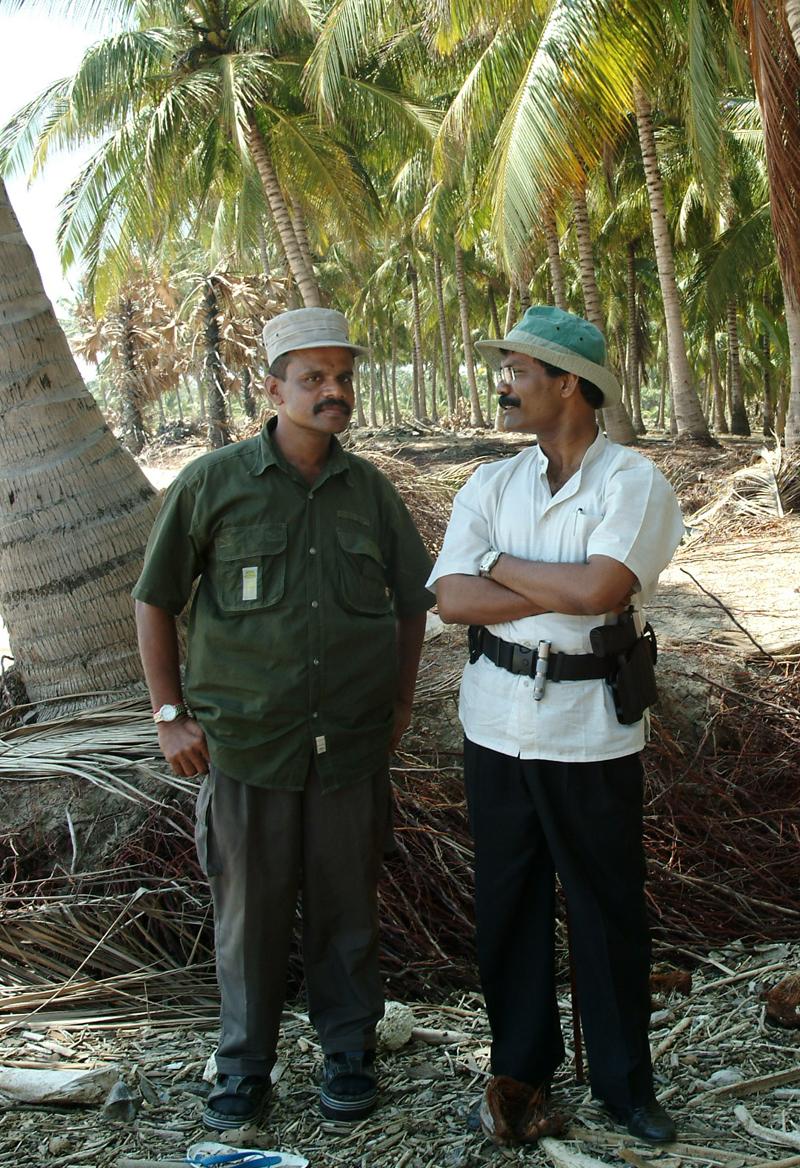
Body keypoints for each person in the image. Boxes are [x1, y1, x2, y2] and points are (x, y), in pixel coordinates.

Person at [133, 307, 434, 1132]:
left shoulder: (370, 491)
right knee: (248, 919)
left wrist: (400, 704)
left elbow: (414, 603)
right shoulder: (212, 482)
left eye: (342, 377)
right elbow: (156, 600)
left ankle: (348, 1056)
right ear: (274, 389)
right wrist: (170, 715)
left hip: (349, 748)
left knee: (348, 914)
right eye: (314, 378)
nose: (332, 392)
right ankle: (243, 1071)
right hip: (245, 751)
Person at [427, 306, 684, 1145]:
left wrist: (499, 563)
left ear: (568, 383)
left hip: (589, 730)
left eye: (518, 372)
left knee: (606, 910)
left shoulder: (631, 482)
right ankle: (522, 1075)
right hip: (496, 723)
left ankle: (623, 1085)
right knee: (509, 905)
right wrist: (548, 581)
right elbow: (451, 597)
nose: (503, 385)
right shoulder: (490, 485)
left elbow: (604, 590)